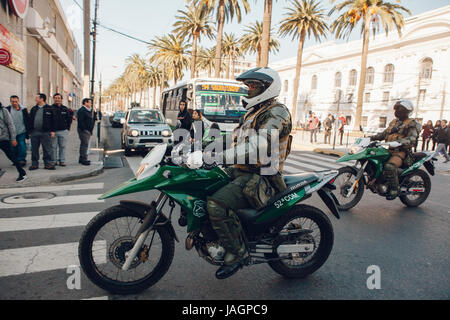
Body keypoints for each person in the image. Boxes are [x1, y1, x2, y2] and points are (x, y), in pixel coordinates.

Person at [205, 67, 292, 280]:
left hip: (263, 177)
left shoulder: (277, 113)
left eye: (253, 85)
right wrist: (202, 146)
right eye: (249, 85)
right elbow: (235, 140)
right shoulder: (254, 112)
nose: (249, 89)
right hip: (241, 171)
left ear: (267, 88)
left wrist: (218, 157)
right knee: (204, 184)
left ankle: (237, 253)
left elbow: (256, 146)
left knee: (217, 203)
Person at [370, 100, 421, 200]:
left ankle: (395, 189)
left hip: (402, 152)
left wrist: (399, 142)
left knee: (389, 166)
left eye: (401, 109)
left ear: (407, 111)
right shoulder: (394, 122)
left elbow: (412, 138)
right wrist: (371, 138)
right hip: (389, 150)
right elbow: (384, 134)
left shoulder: (412, 123)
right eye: (396, 109)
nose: (397, 111)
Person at [28, 93, 57, 170]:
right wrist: (30, 131)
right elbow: (30, 120)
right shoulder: (34, 109)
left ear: (42, 99)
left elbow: (54, 121)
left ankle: (47, 163)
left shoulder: (50, 109)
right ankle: (34, 164)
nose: (35, 99)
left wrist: (53, 131)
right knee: (34, 149)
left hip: (46, 132)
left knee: (47, 149)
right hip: (34, 132)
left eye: (37, 98)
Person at [0, 102, 27, 182]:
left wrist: (13, 138)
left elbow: (10, 124)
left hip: (3, 138)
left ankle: (22, 173)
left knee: (11, 156)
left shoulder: (3, 111)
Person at [6, 95, 29, 167]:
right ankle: (15, 160)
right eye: (12, 101)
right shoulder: (7, 109)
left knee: (22, 146)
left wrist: (28, 131)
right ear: (10, 101)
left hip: (21, 131)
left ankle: (21, 160)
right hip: (11, 132)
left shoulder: (23, 109)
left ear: (18, 101)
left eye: (15, 101)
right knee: (13, 147)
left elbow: (27, 120)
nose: (14, 103)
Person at [52, 93, 74, 167]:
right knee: (53, 147)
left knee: (63, 146)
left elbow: (69, 119)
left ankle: (62, 160)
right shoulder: (50, 108)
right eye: (56, 98)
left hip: (63, 131)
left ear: (61, 99)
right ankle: (53, 161)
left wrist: (67, 128)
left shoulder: (65, 109)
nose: (57, 99)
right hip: (53, 131)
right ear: (53, 99)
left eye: (59, 98)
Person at [77, 98, 96, 166]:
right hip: (84, 131)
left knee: (84, 144)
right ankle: (83, 159)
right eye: (89, 103)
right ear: (85, 103)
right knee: (85, 145)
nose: (90, 104)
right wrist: (85, 129)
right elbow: (81, 121)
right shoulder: (82, 110)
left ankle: (82, 158)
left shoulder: (88, 111)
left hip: (87, 130)